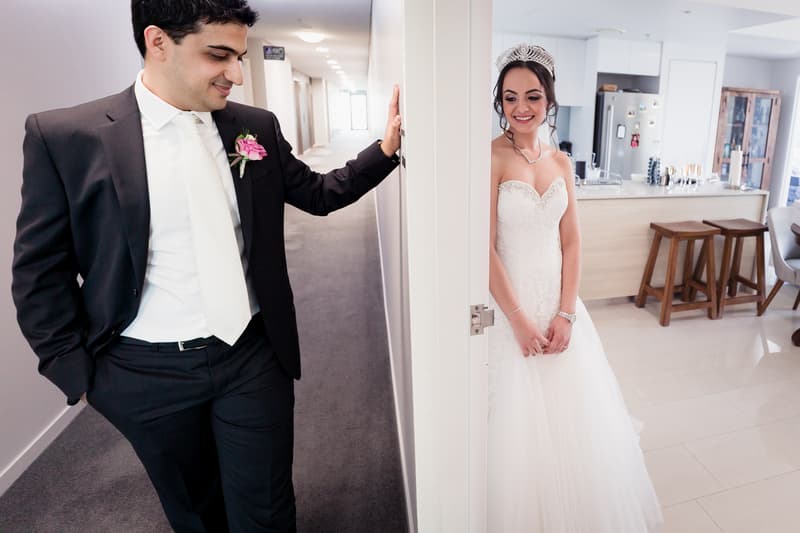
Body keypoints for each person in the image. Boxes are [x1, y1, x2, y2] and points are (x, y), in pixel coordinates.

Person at [11, 1, 401, 531]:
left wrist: (384, 150)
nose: (236, 75)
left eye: (240, 56)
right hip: (140, 373)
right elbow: (40, 271)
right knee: (195, 512)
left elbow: (317, 193)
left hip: (251, 356)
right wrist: (75, 373)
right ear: (157, 42)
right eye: (219, 56)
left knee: (267, 511)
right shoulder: (66, 137)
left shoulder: (254, 127)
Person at [487, 43, 663, 532]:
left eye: (532, 96)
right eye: (510, 97)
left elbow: (572, 242)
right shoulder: (491, 158)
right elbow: (484, 249)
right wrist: (519, 321)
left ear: (549, 100)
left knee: (574, 424)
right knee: (516, 432)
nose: (521, 107)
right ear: (500, 101)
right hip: (512, 309)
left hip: (560, 309)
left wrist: (566, 314)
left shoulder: (561, 162)